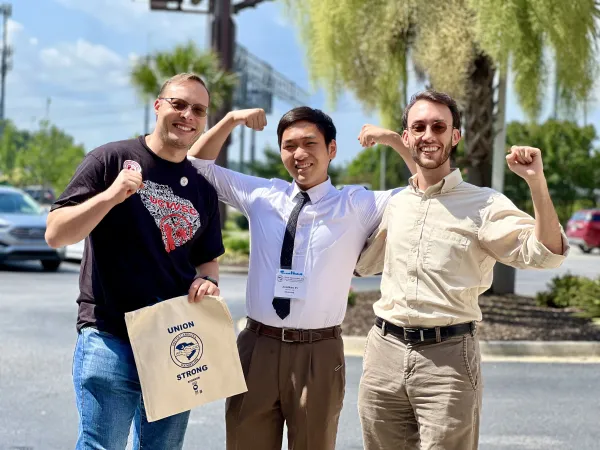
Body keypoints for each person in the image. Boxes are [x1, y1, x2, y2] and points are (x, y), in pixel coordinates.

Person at [186, 106, 416, 450]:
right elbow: (197, 165)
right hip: (257, 346)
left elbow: (425, 190)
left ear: (331, 150)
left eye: (310, 143)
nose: (300, 154)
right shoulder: (262, 194)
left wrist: (394, 141)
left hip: (318, 353)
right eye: (289, 145)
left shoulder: (356, 204)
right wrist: (232, 120)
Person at [354, 90, 569, 450]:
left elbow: (545, 253)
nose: (428, 135)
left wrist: (536, 181)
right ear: (407, 136)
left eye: (439, 127)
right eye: (418, 127)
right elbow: (363, 263)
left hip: (448, 359)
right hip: (382, 356)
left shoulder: (483, 204)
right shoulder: (397, 204)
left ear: (455, 137)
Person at [45, 73, 225, 450]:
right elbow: (57, 233)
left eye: (198, 109)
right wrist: (110, 196)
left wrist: (208, 282)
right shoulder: (110, 159)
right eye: (178, 104)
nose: (187, 115)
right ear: (158, 106)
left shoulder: (204, 188)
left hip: (175, 340)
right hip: (110, 336)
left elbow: (208, 262)